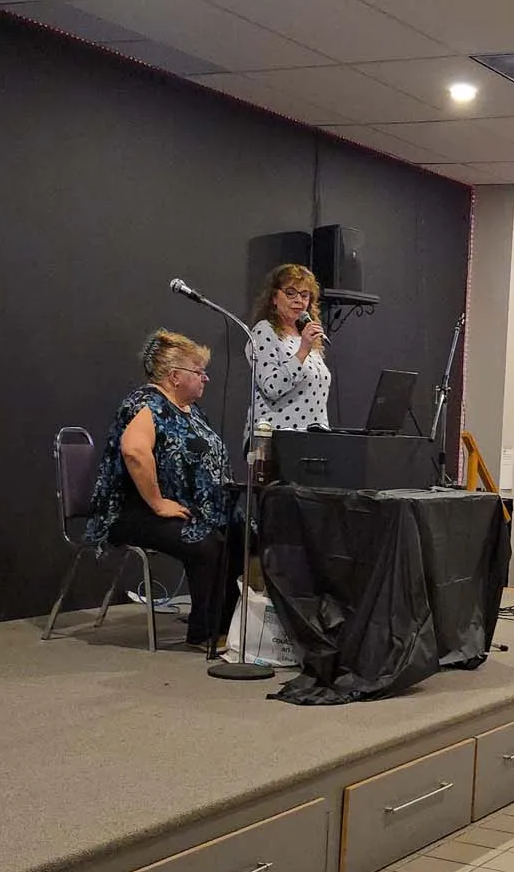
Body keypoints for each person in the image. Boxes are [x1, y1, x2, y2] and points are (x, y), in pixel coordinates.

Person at [85, 331, 241, 651]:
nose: (205, 378)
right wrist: (157, 503)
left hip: (180, 506)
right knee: (206, 543)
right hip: (132, 510)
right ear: (174, 376)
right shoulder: (147, 403)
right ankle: (204, 633)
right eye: (198, 372)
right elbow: (134, 451)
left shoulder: (191, 411)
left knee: (237, 533)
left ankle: (229, 626)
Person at [246, 263, 330, 437]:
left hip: (312, 438)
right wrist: (303, 350)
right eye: (290, 293)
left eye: (304, 295)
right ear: (274, 297)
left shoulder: (305, 337)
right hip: (276, 437)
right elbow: (272, 387)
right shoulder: (264, 331)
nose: (298, 300)